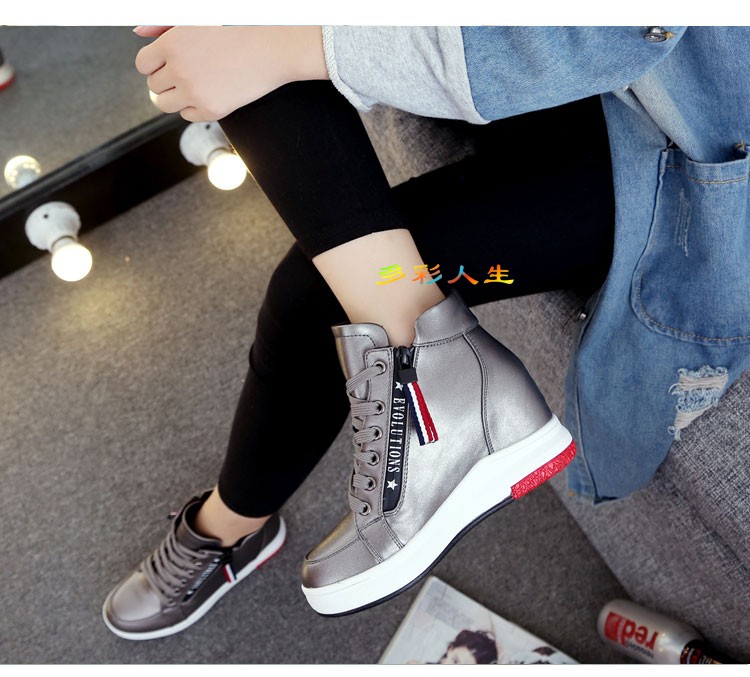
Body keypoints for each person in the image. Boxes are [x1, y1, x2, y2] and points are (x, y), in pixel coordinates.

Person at [106, 25, 750, 639]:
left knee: (320, 289)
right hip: (573, 84)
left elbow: (607, 35)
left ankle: (227, 527)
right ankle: (431, 357)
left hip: (668, 152)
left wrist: (294, 48)